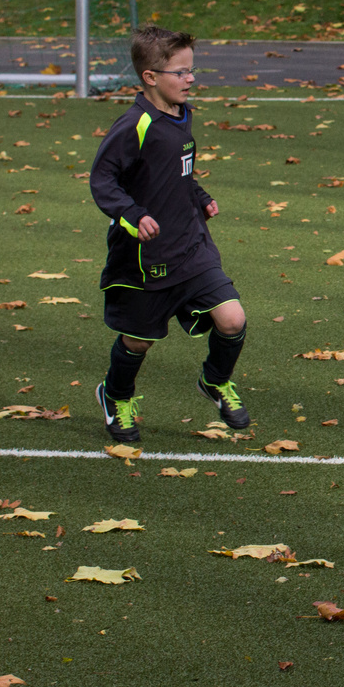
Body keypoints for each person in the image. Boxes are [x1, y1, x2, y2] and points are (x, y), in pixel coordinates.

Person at [90, 25, 250, 442]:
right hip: (146, 258)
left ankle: (215, 381)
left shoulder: (182, 114)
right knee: (138, 342)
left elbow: (176, 171)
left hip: (191, 244)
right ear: (150, 77)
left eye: (191, 70)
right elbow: (103, 179)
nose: (190, 79)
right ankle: (115, 395)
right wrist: (132, 214)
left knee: (232, 320)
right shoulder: (134, 125)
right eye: (180, 72)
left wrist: (199, 195)